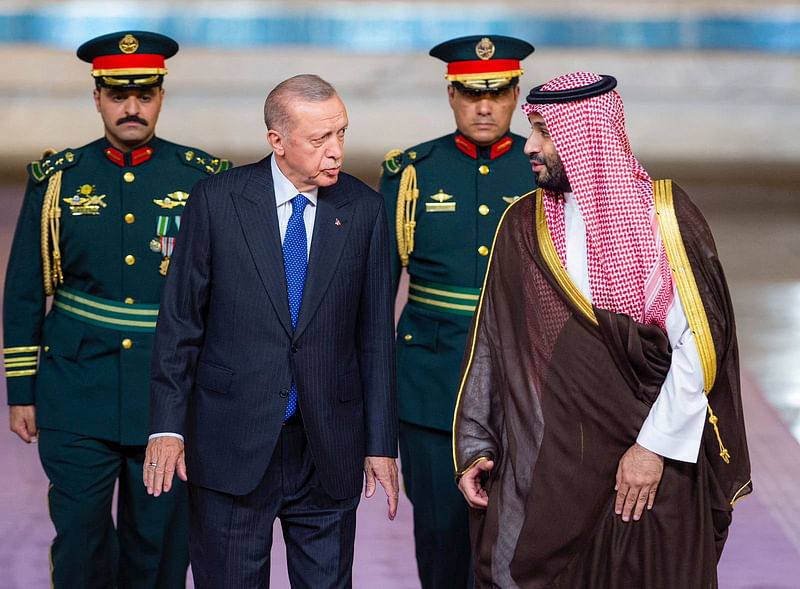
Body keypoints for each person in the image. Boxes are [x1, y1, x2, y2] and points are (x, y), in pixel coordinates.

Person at [453, 72, 752, 588]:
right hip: (553, 467)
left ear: (586, 138)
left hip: (654, 467)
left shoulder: (665, 217)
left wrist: (651, 448)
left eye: (545, 132)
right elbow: (493, 346)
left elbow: (697, 346)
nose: (530, 146)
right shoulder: (523, 225)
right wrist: (477, 442)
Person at [143, 74, 399, 588]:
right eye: (319, 139)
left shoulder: (366, 210)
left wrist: (381, 444)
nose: (336, 151)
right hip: (229, 442)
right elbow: (180, 325)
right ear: (277, 141)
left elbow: (375, 339)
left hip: (326, 447)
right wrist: (167, 427)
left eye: (342, 134)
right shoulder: (217, 201)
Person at [2, 30, 230, 588]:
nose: (132, 107)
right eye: (118, 94)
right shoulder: (58, 181)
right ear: (97, 97)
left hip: (169, 393)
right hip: (75, 389)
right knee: (79, 539)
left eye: (144, 94)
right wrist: (22, 391)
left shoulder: (202, 180)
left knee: (158, 545)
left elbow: (225, 299)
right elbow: (25, 290)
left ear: (160, 96)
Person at [378, 34, 535, 588]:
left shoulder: (541, 169)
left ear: (516, 94)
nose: (485, 106)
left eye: (497, 92)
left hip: (526, 386)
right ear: (451, 94)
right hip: (431, 391)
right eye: (471, 93)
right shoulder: (412, 172)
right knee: (443, 545)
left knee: (523, 544)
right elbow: (376, 301)